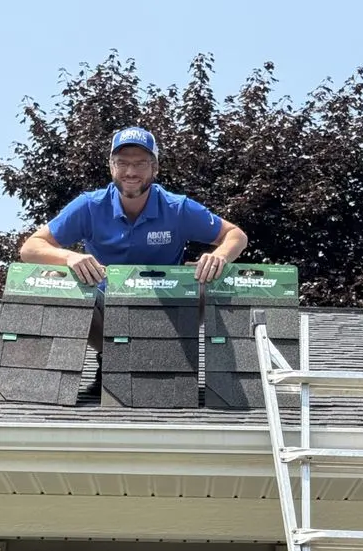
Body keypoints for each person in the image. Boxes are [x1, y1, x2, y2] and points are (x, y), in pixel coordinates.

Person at [19, 126, 248, 391]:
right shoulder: (90, 206)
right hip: (108, 317)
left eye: (140, 163)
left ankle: (221, 378)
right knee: (55, 279)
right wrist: (69, 257)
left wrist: (218, 256)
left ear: (155, 168)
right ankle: (109, 361)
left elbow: (236, 235)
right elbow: (30, 248)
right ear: (111, 166)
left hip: (169, 314)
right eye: (123, 163)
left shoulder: (177, 208)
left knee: (214, 279)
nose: (131, 172)